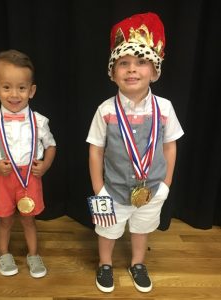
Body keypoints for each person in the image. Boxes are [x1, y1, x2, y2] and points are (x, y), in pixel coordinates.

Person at [86, 12, 184, 293]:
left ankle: (138, 263)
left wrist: (166, 184)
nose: (132, 70)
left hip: (151, 190)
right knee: (107, 231)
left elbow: (170, 145)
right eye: (124, 63)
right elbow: (95, 150)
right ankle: (105, 264)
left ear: (154, 71)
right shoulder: (105, 111)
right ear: (113, 72)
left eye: (141, 62)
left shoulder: (164, 108)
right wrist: (98, 189)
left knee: (142, 230)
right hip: (112, 191)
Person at [0, 49, 56, 278]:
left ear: (31, 91)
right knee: (5, 220)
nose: (14, 94)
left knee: (29, 220)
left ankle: (33, 254)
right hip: (3, 177)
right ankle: (3, 253)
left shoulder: (39, 121)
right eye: (6, 87)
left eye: (21, 88)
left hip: (30, 177)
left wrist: (46, 164)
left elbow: (51, 146)